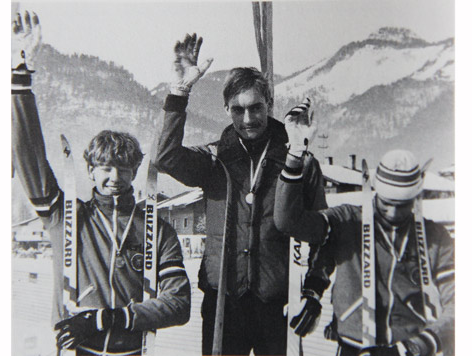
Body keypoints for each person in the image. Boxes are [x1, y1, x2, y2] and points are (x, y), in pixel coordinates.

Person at [11, 13, 190, 356]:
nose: (114, 178)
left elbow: (178, 303)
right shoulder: (67, 218)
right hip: (79, 351)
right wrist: (20, 78)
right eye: (105, 168)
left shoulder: (156, 229)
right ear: (90, 170)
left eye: (123, 168)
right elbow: (29, 158)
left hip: (132, 351)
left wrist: (108, 319)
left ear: (136, 170)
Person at [155, 34, 327, 355]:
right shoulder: (215, 159)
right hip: (224, 303)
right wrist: (180, 91)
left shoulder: (298, 159)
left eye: (256, 108)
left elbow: (320, 232)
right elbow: (165, 158)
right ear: (226, 109)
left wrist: (314, 292)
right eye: (238, 110)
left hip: (277, 302)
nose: (248, 119)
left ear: (269, 104)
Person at [274, 108, 454, 356]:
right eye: (386, 203)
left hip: (408, 349)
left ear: (416, 199)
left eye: (403, 206)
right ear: (375, 191)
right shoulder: (348, 220)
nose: (392, 213)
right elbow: (289, 222)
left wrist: (414, 347)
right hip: (354, 346)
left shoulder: (435, 238)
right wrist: (295, 154)